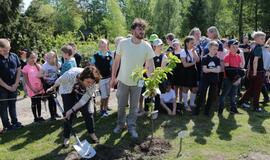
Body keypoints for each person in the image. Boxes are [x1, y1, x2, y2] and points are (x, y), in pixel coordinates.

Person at [110, 18, 155, 139]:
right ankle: (120, 124)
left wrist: (152, 83)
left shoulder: (147, 46)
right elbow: (116, 62)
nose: (142, 32)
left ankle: (131, 126)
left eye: (143, 29)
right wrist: (113, 78)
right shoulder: (123, 43)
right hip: (123, 80)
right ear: (133, 30)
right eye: (139, 29)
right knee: (121, 105)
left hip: (138, 82)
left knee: (134, 107)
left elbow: (150, 65)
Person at [47, 66, 101, 146]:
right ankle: (66, 137)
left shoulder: (92, 85)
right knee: (68, 116)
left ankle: (91, 133)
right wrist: (52, 88)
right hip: (68, 91)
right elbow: (59, 80)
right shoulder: (70, 74)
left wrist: (71, 110)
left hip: (82, 93)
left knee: (88, 113)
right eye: (88, 82)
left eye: (92, 82)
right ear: (82, 78)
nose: (90, 84)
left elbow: (83, 101)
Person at [239, 31, 266, 112]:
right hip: (257, 72)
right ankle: (256, 106)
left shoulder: (254, 47)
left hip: (254, 72)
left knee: (251, 89)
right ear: (256, 39)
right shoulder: (257, 48)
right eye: (262, 38)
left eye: (264, 38)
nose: (263, 40)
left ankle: (241, 102)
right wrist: (254, 72)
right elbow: (255, 61)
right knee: (257, 89)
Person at [0, 38, 23, 132]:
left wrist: (16, 84)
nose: (8, 51)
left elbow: (18, 69)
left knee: (12, 105)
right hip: (2, 88)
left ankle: (15, 122)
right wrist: (8, 87)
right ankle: (7, 126)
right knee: (3, 107)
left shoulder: (14, 56)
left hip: (14, 85)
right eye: (5, 49)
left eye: (9, 48)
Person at [194, 41, 220, 116]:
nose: (215, 51)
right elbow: (205, 70)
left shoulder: (217, 59)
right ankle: (197, 110)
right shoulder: (205, 58)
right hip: (205, 79)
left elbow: (218, 70)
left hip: (214, 79)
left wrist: (210, 70)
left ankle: (207, 110)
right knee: (202, 94)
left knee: (211, 95)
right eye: (213, 49)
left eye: (216, 49)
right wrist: (213, 70)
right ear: (209, 48)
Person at [219, 39, 244, 115]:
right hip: (228, 79)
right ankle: (220, 109)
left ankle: (233, 109)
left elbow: (240, 69)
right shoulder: (227, 57)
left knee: (233, 95)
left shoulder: (239, 56)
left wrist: (238, 78)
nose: (235, 49)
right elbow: (227, 70)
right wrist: (235, 78)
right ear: (229, 47)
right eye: (233, 47)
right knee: (224, 94)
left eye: (237, 47)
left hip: (236, 79)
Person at [91, 39, 112, 117]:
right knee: (103, 95)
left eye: (104, 46)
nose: (103, 47)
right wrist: (95, 75)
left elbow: (112, 67)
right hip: (101, 79)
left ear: (107, 46)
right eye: (101, 46)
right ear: (99, 47)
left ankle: (105, 108)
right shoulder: (95, 56)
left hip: (108, 78)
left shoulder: (109, 56)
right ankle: (102, 109)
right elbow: (92, 66)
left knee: (108, 94)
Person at [22, 51, 45, 122]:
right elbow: (26, 80)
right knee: (34, 102)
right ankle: (35, 117)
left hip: (39, 87)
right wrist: (32, 89)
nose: (33, 59)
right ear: (27, 58)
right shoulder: (25, 68)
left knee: (39, 102)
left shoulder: (38, 66)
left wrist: (41, 87)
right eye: (31, 58)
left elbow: (42, 77)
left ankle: (39, 116)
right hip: (32, 88)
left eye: (34, 57)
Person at [180, 36, 200, 111]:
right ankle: (185, 104)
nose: (193, 45)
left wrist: (193, 52)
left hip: (193, 71)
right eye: (192, 43)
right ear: (186, 43)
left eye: (194, 43)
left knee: (194, 88)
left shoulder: (193, 50)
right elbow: (184, 65)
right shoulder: (183, 51)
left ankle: (192, 103)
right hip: (186, 72)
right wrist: (193, 63)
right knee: (185, 88)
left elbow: (197, 60)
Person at [41, 51, 61, 120]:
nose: (48, 59)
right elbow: (39, 74)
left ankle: (55, 113)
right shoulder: (44, 65)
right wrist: (45, 75)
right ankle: (52, 115)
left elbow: (60, 72)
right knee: (50, 99)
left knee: (54, 98)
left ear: (54, 58)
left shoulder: (58, 64)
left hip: (55, 83)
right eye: (47, 58)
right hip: (47, 84)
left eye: (50, 58)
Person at [171, 39, 183, 104]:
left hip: (182, 71)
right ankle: (175, 100)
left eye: (177, 44)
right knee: (175, 87)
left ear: (179, 44)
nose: (176, 46)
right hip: (175, 72)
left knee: (181, 87)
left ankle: (180, 101)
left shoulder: (183, 52)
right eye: (174, 45)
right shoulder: (172, 53)